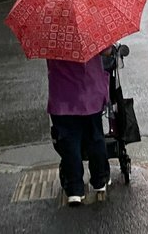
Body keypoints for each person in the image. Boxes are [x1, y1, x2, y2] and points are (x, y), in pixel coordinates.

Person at [47, 53, 111, 203]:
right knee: (95, 138)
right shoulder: (89, 38)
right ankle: (100, 180)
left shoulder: (50, 39)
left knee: (69, 143)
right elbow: (107, 51)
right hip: (90, 93)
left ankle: (74, 189)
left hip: (62, 97)